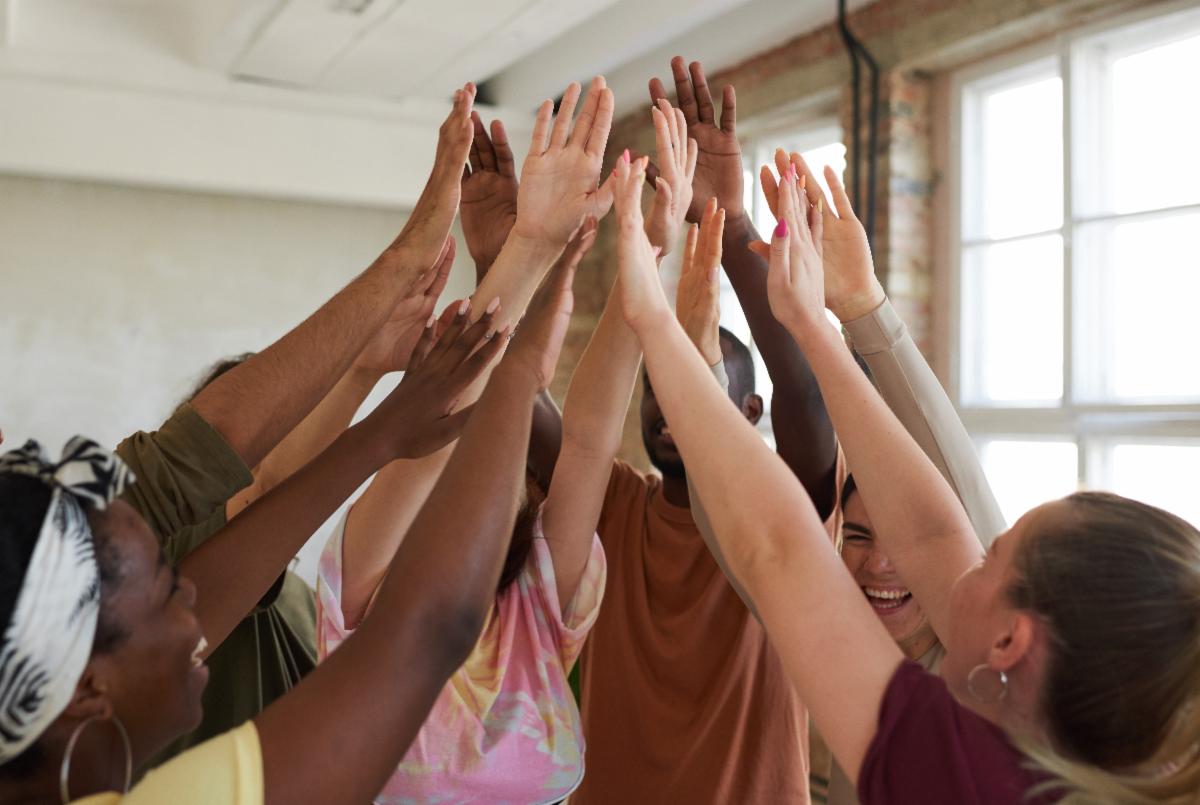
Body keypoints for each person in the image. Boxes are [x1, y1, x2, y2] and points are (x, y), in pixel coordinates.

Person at [611, 140, 1200, 804]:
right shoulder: (1062, 761)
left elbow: (780, 547)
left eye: (993, 558)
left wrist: (655, 323)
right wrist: (827, 317)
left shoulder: (965, 778)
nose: (969, 552)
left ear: (1010, 640)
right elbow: (932, 534)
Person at [0, 227, 581, 803]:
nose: (195, 604)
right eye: (166, 591)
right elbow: (423, 631)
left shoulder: (293, 606)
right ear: (86, 686)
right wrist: (520, 322)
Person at [318, 77, 622, 803]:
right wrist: (528, 250)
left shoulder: (541, 600)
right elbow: (440, 433)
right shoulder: (365, 594)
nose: (479, 477)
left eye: (502, 466)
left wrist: (639, 267)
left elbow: (588, 446)